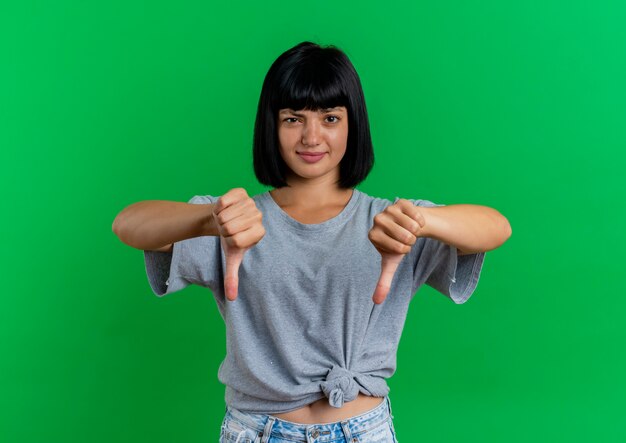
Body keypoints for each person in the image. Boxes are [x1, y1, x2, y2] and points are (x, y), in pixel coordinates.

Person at [112, 41, 511, 443]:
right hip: (257, 430)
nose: (311, 136)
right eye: (292, 119)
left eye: (331, 118)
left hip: (363, 429)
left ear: (353, 124)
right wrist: (206, 219)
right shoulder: (234, 221)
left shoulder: (393, 224)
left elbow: (496, 227)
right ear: (272, 125)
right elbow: (127, 224)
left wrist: (425, 220)